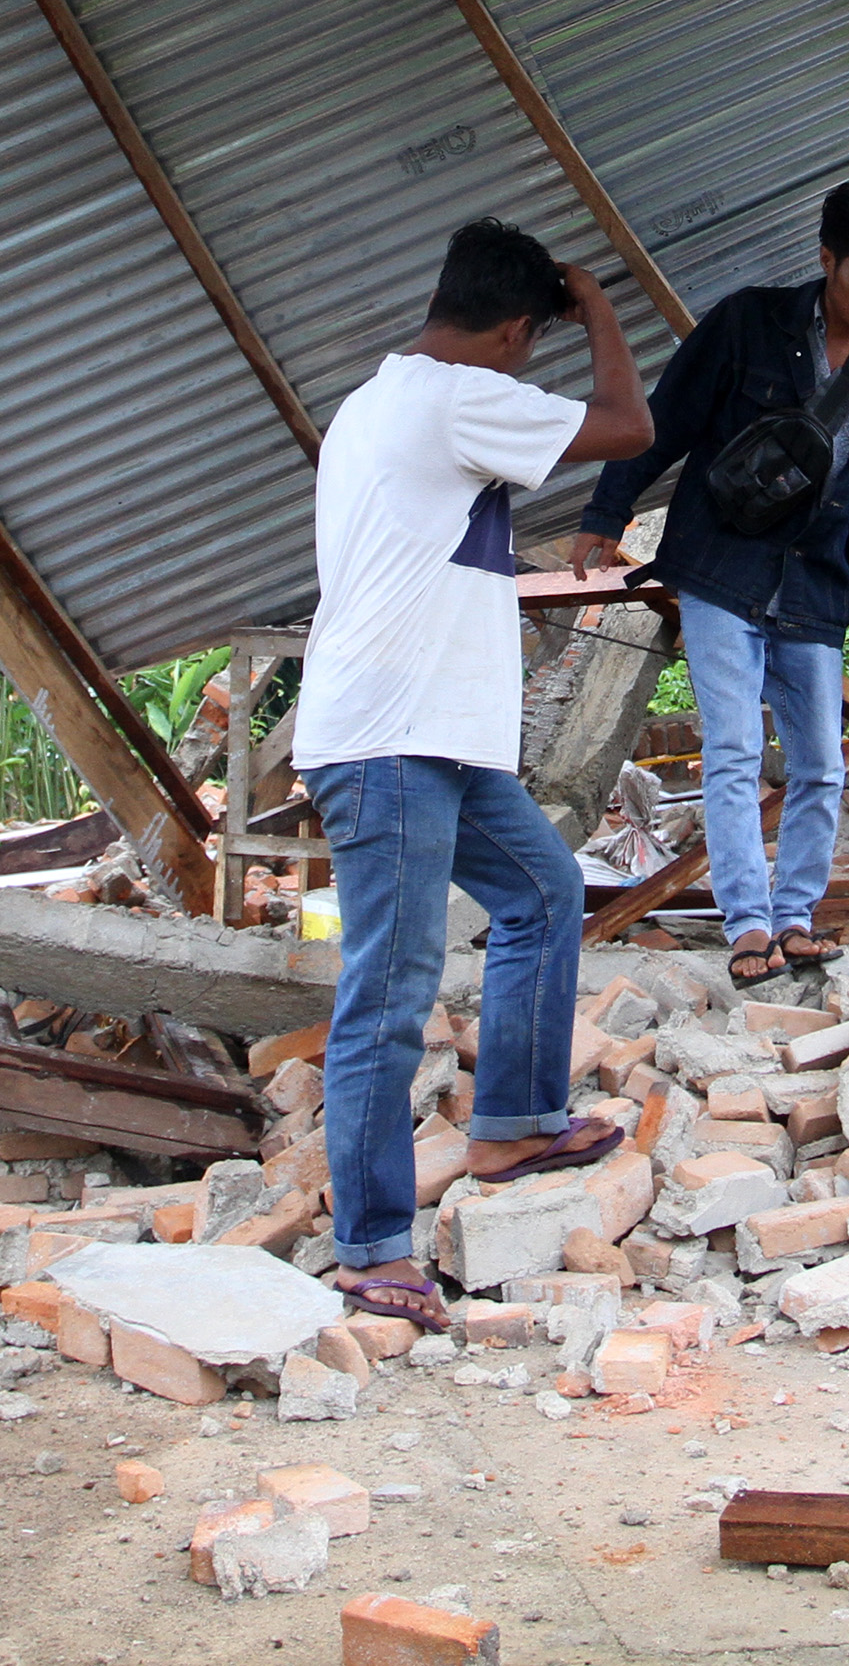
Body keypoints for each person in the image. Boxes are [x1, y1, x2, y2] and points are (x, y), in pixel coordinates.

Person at [302, 217, 656, 1330]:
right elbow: (630, 426)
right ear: (511, 330)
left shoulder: (379, 400)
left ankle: (511, 1121)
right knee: (391, 990)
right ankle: (368, 1248)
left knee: (543, 891)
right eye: (531, 340)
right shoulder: (455, 394)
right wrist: (597, 306)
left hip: (430, 736)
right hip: (392, 741)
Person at [567, 181, 849, 987]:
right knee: (732, 752)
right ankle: (747, 925)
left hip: (815, 585)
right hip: (723, 569)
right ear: (828, 258)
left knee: (821, 766)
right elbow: (666, 420)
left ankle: (797, 916)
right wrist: (608, 507)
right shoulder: (749, 323)